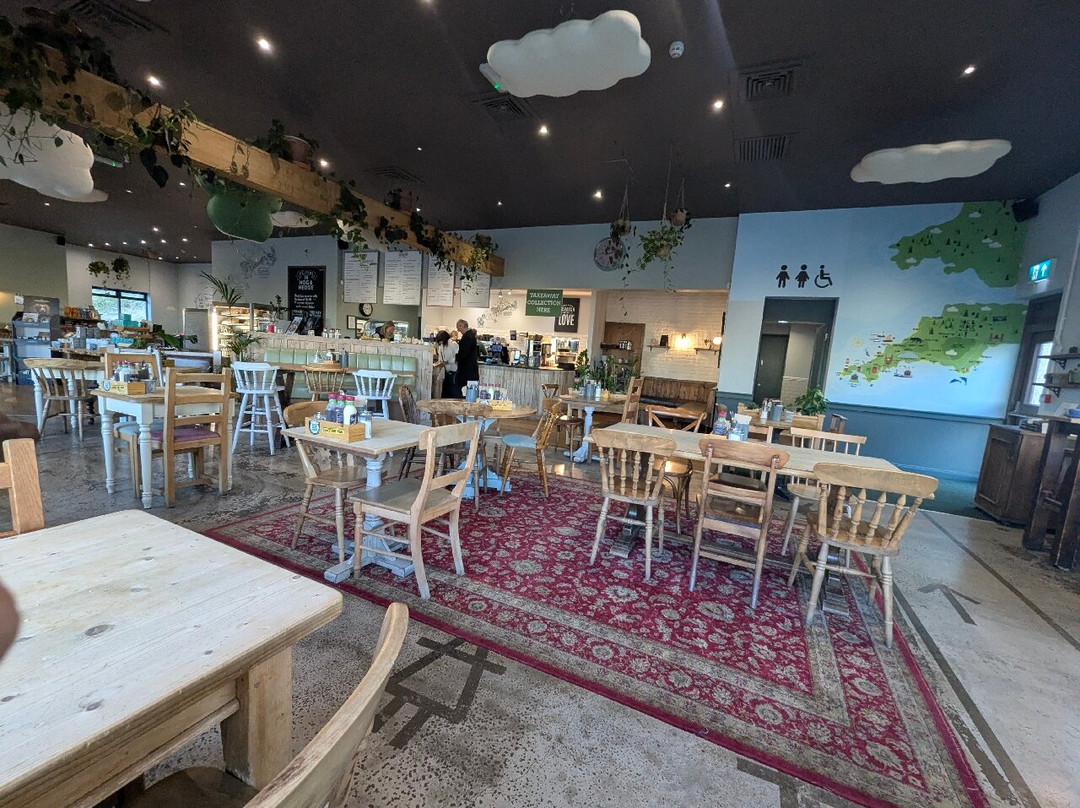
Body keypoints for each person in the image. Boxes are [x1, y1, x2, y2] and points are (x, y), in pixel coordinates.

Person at [454, 319, 480, 397]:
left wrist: (456, 357)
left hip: (467, 370)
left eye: (458, 327)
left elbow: (464, 353)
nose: (457, 330)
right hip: (470, 369)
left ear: (462, 326)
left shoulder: (467, 336)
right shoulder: (470, 335)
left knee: (465, 392)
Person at [434, 330, 458, 398]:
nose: (440, 342)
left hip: (454, 371)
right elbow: (440, 358)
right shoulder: (441, 346)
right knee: (445, 393)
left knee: (452, 393)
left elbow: (458, 357)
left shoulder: (453, 344)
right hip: (446, 372)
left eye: (441, 340)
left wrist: (447, 362)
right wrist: (438, 363)